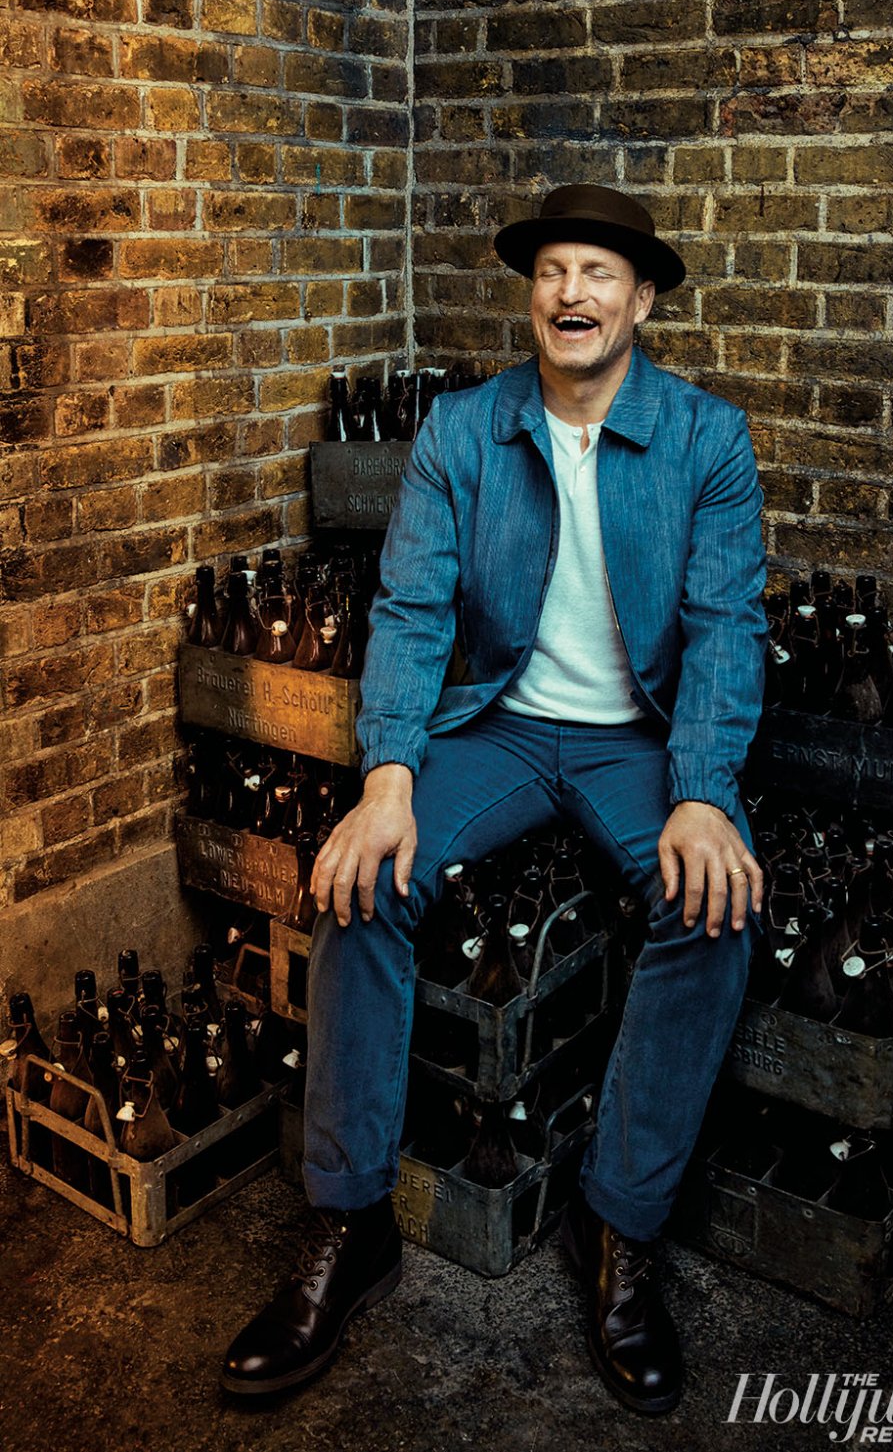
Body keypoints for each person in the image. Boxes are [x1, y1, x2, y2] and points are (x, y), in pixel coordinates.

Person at [222, 183, 768, 1416]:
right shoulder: (464, 431)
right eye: (552, 271)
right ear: (532, 294)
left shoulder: (704, 439)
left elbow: (728, 626)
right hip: (500, 726)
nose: (571, 293)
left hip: (637, 741)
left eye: (598, 273)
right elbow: (412, 609)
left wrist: (701, 790)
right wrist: (387, 778)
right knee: (360, 880)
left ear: (642, 300)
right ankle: (349, 1219)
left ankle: (617, 1223)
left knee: (716, 907)